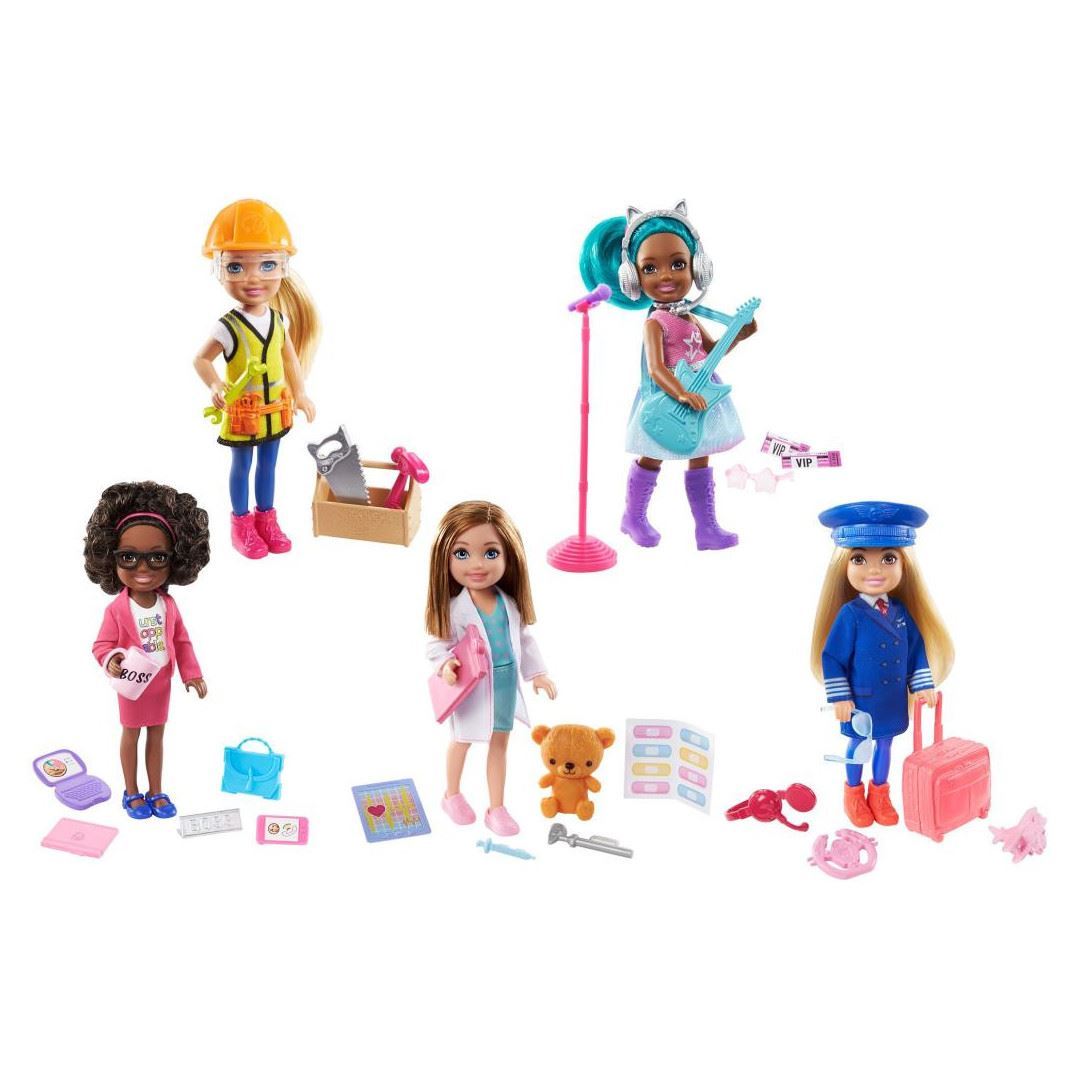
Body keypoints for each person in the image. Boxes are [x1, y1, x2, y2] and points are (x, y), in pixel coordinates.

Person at [580, 201, 757, 549]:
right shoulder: (655, 322)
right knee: (654, 454)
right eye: (650, 268)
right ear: (633, 278)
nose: (665, 276)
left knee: (701, 456)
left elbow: (709, 352)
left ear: (697, 267)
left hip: (700, 393)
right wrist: (680, 393)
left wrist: (738, 335)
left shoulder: (689, 317)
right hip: (668, 397)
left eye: (678, 264)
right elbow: (656, 368)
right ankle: (633, 517)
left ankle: (706, 528)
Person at [810, 501, 954, 826]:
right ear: (845, 565)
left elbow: (916, 650)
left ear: (903, 564)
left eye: (888, 558)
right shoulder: (851, 614)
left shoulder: (901, 612)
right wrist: (841, 697)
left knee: (885, 744)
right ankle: (853, 794)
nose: (874, 570)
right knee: (859, 744)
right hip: (861, 700)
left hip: (891, 700)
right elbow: (832, 656)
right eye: (859, 559)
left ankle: (879, 793)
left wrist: (922, 686)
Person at [193, 199, 319, 559]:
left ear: (283, 267)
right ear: (220, 270)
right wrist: (215, 384)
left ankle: (267, 519)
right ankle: (241, 525)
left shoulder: (279, 321)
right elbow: (201, 359)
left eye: (267, 265)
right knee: (242, 465)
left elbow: (289, 358)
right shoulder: (228, 326)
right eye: (236, 267)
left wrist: (301, 393)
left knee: (269, 465)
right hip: (243, 412)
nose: (253, 278)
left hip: (275, 409)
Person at [425, 501, 556, 836]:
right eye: (462, 553)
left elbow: (523, 639)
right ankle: (451, 795)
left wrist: (537, 673)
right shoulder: (454, 609)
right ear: (445, 559)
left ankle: (496, 808)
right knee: (462, 740)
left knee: (500, 744)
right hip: (471, 688)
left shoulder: (508, 602)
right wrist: (447, 664)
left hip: (505, 685)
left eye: (491, 553)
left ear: (509, 555)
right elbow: (436, 645)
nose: (478, 564)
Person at [85, 481, 210, 819]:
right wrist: (112, 659)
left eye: (157, 558)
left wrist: (192, 674)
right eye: (128, 557)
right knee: (131, 734)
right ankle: (131, 792)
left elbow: (182, 641)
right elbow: (101, 645)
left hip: (160, 684)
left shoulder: (168, 605)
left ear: (175, 560)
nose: (143, 569)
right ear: (111, 558)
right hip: (132, 683)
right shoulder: (116, 609)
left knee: (157, 736)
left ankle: (156, 791)